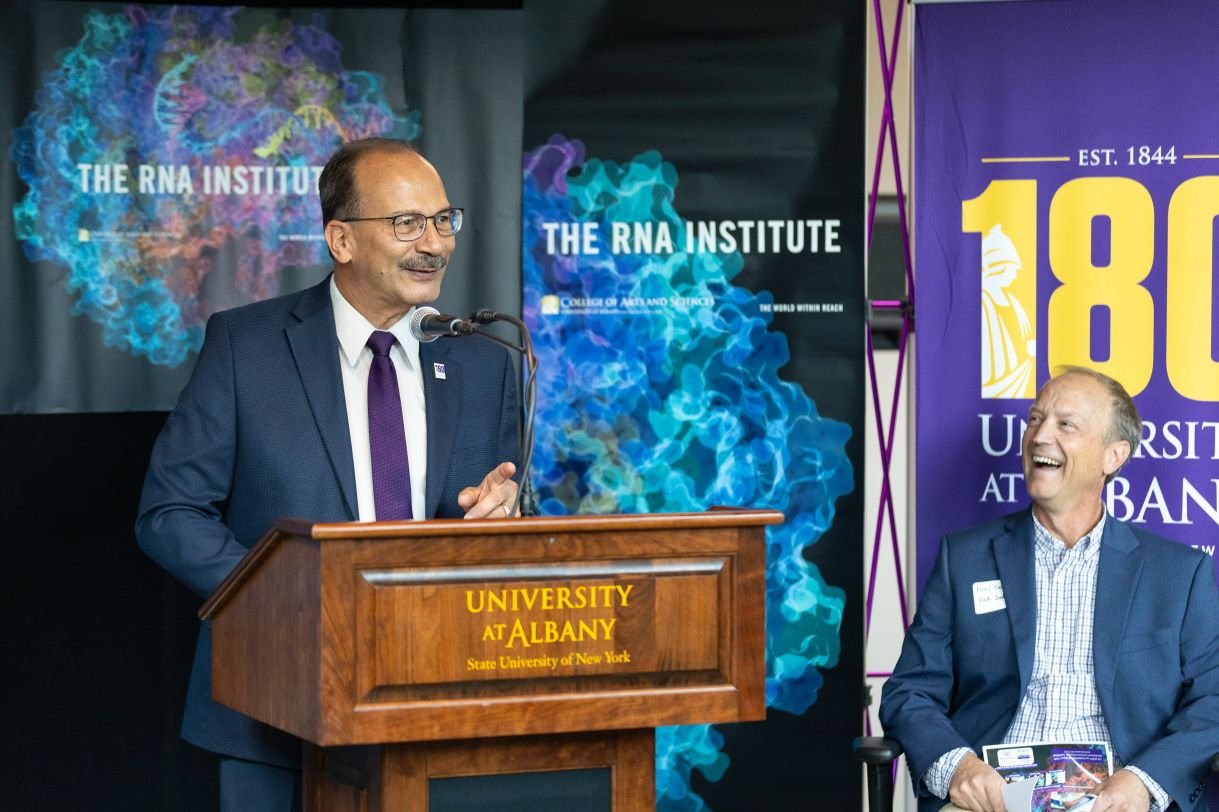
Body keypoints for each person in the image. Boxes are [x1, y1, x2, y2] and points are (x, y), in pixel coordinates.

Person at [136, 137, 520, 810]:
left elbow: (514, 518)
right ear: (341, 239)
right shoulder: (245, 347)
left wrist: (506, 512)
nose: (433, 243)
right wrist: (285, 605)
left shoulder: (484, 360)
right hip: (274, 714)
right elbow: (170, 513)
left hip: (440, 709)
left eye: (442, 220)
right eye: (406, 224)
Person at [880, 366, 1219, 812]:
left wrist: (1143, 781)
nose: (1039, 436)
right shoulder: (963, 558)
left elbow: (1212, 699)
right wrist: (958, 767)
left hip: (1114, 795)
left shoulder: (1179, 573)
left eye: (1066, 424)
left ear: (1113, 456)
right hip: (992, 796)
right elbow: (910, 690)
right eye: (1035, 420)